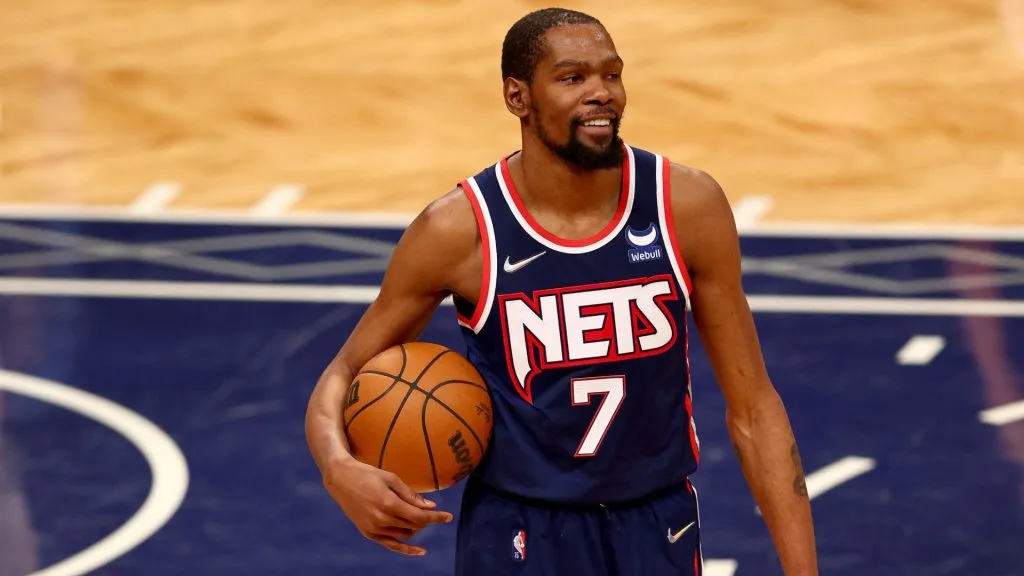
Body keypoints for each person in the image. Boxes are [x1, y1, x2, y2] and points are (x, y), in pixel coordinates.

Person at [305, 7, 818, 575]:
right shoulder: (460, 231)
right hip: (518, 532)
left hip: (657, 523)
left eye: (612, 74)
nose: (601, 92)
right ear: (517, 97)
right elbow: (342, 375)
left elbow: (754, 409)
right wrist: (338, 466)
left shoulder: (685, 207)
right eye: (573, 77)